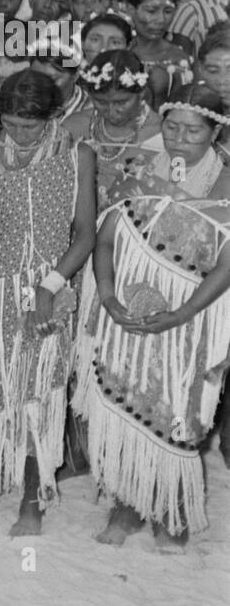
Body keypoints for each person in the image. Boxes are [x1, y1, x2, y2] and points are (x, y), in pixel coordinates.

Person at [74, 82, 230, 550]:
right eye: (172, 126)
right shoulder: (137, 167)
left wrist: (182, 312)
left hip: (193, 315)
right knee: (122, 398)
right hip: (126, 307)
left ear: (216, 131)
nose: (180, 138)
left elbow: (228, 264)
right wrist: (105, 292)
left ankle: (173, 513)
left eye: (193, 131)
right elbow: (104, 238)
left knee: (182, 408)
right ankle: (126, 504)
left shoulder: (227, 182)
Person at [0, 70, 97, 532]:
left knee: (39, 392)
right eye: (11, 123)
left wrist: (51, 284)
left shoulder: (78, 156)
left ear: (54, 116)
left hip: (46, 287)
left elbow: (84, 233)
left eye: (29, 126)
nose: (19, 133)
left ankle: (34, 501)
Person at [66, 49, 163, 203]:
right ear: (90, 94)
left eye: (121, 102)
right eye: (101, 102)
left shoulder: (162, 134)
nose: (111, 111)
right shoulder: (74, 127)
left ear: (142, 92)